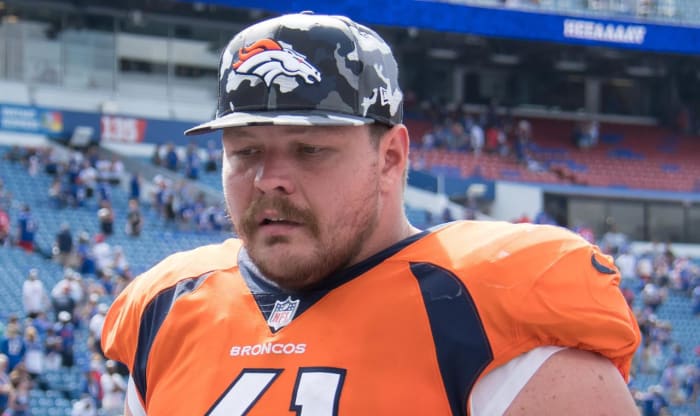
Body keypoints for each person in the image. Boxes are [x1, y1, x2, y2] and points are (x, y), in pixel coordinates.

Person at [102, 12, 641, 416]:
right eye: (245, 152)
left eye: (310, 149)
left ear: (391, 158)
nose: (269, 179)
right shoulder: (170, 307)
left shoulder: (484, 309)